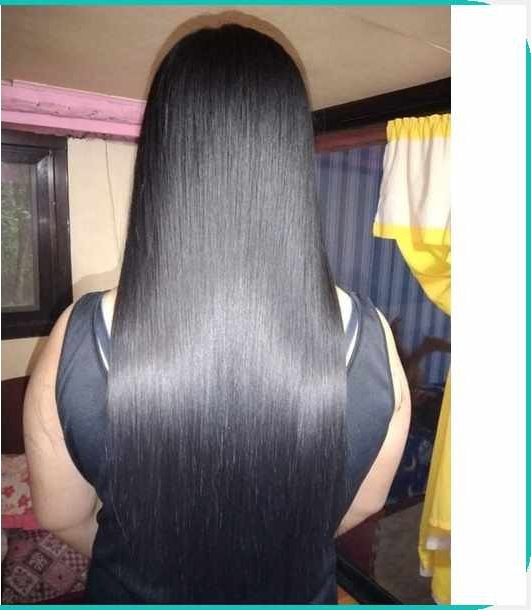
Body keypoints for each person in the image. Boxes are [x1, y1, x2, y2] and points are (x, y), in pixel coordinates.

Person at [23, 22, 411, 604]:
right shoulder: (372, 340)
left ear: (163, 157)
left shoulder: (77, 339)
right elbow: (364, 503)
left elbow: (61, 515)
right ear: (289, 157)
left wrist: (155, 570)